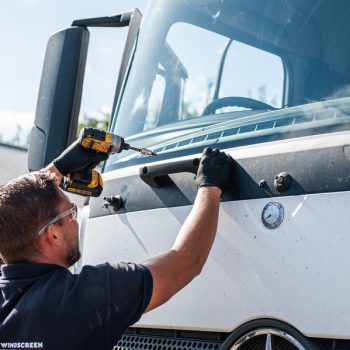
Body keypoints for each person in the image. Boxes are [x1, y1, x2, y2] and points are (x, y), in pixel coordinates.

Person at [0, 139, 233, 350]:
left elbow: (10, 218)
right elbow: (185, 260)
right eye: (72, 212)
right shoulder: (85, 298)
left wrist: (57, 170)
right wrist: (210, 187)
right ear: (53, 235)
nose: (76, 219)